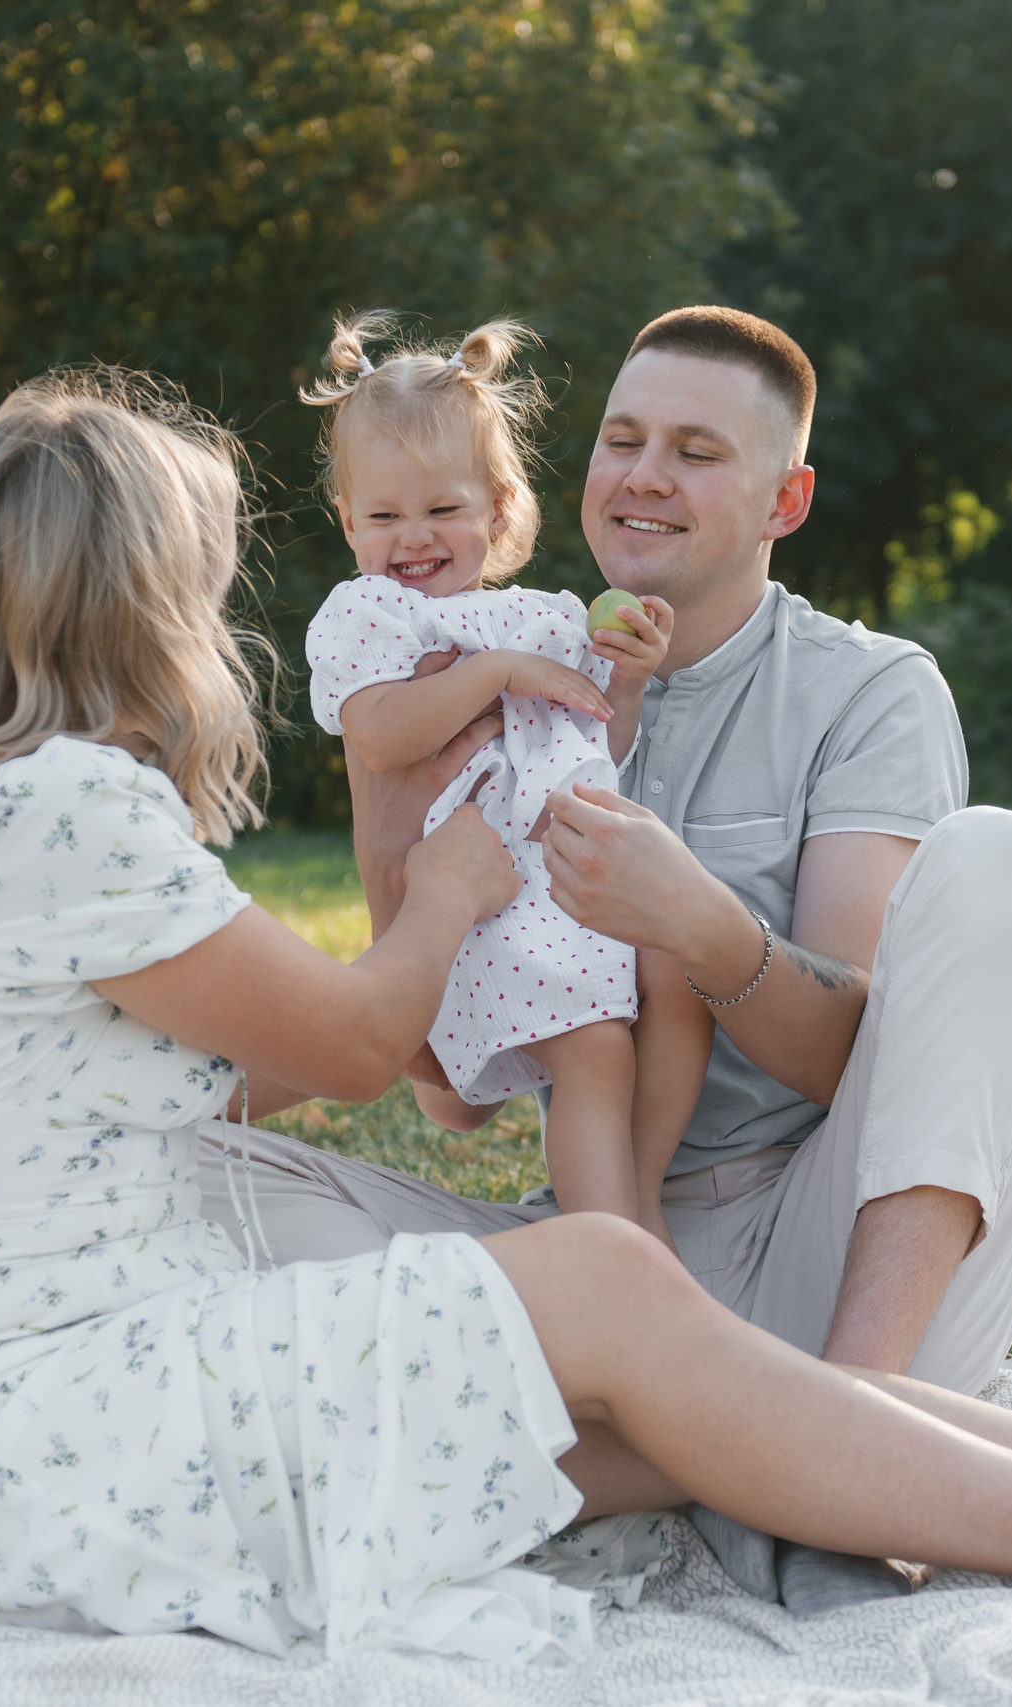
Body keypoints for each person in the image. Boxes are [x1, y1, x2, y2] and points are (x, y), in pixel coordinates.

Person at [0, 365, 1012, 1664]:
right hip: (63, 1417)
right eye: (202, 580)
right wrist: (444, 892)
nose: (215, 619)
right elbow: (353, 1049)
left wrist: (643, 931)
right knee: (610, 1299)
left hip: (18, 1429)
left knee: (620, 1392)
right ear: (139, 596)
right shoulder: (65, 803)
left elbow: (235, 1070)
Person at [186, 307, 1012, 1612]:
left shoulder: (870, 691)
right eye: (623, 439)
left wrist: (704, 924)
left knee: (1005, 856)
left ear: (787, 497)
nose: (645, 474)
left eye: (696, 450)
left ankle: (852, 1441)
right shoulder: (473, 661)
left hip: (825, 1250)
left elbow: (868, 1058)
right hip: (615, 1245)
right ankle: (708, 1458)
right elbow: (451, 1087)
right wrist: (396, 849)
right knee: (192, 1174)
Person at [297, 312, 713, 1250]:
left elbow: (597, 735)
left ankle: (634, 1209)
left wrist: (631, 674)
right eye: (383, 515)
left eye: (442, 510)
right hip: (489, 888)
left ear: (498, 507)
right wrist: (492, 675)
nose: (413, 538)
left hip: (575, 873)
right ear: (348, 523)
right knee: (597, 1056)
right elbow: (379, 731)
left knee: (680, 981)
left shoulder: (534, 615)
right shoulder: (372, 614)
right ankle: (616, 1256)